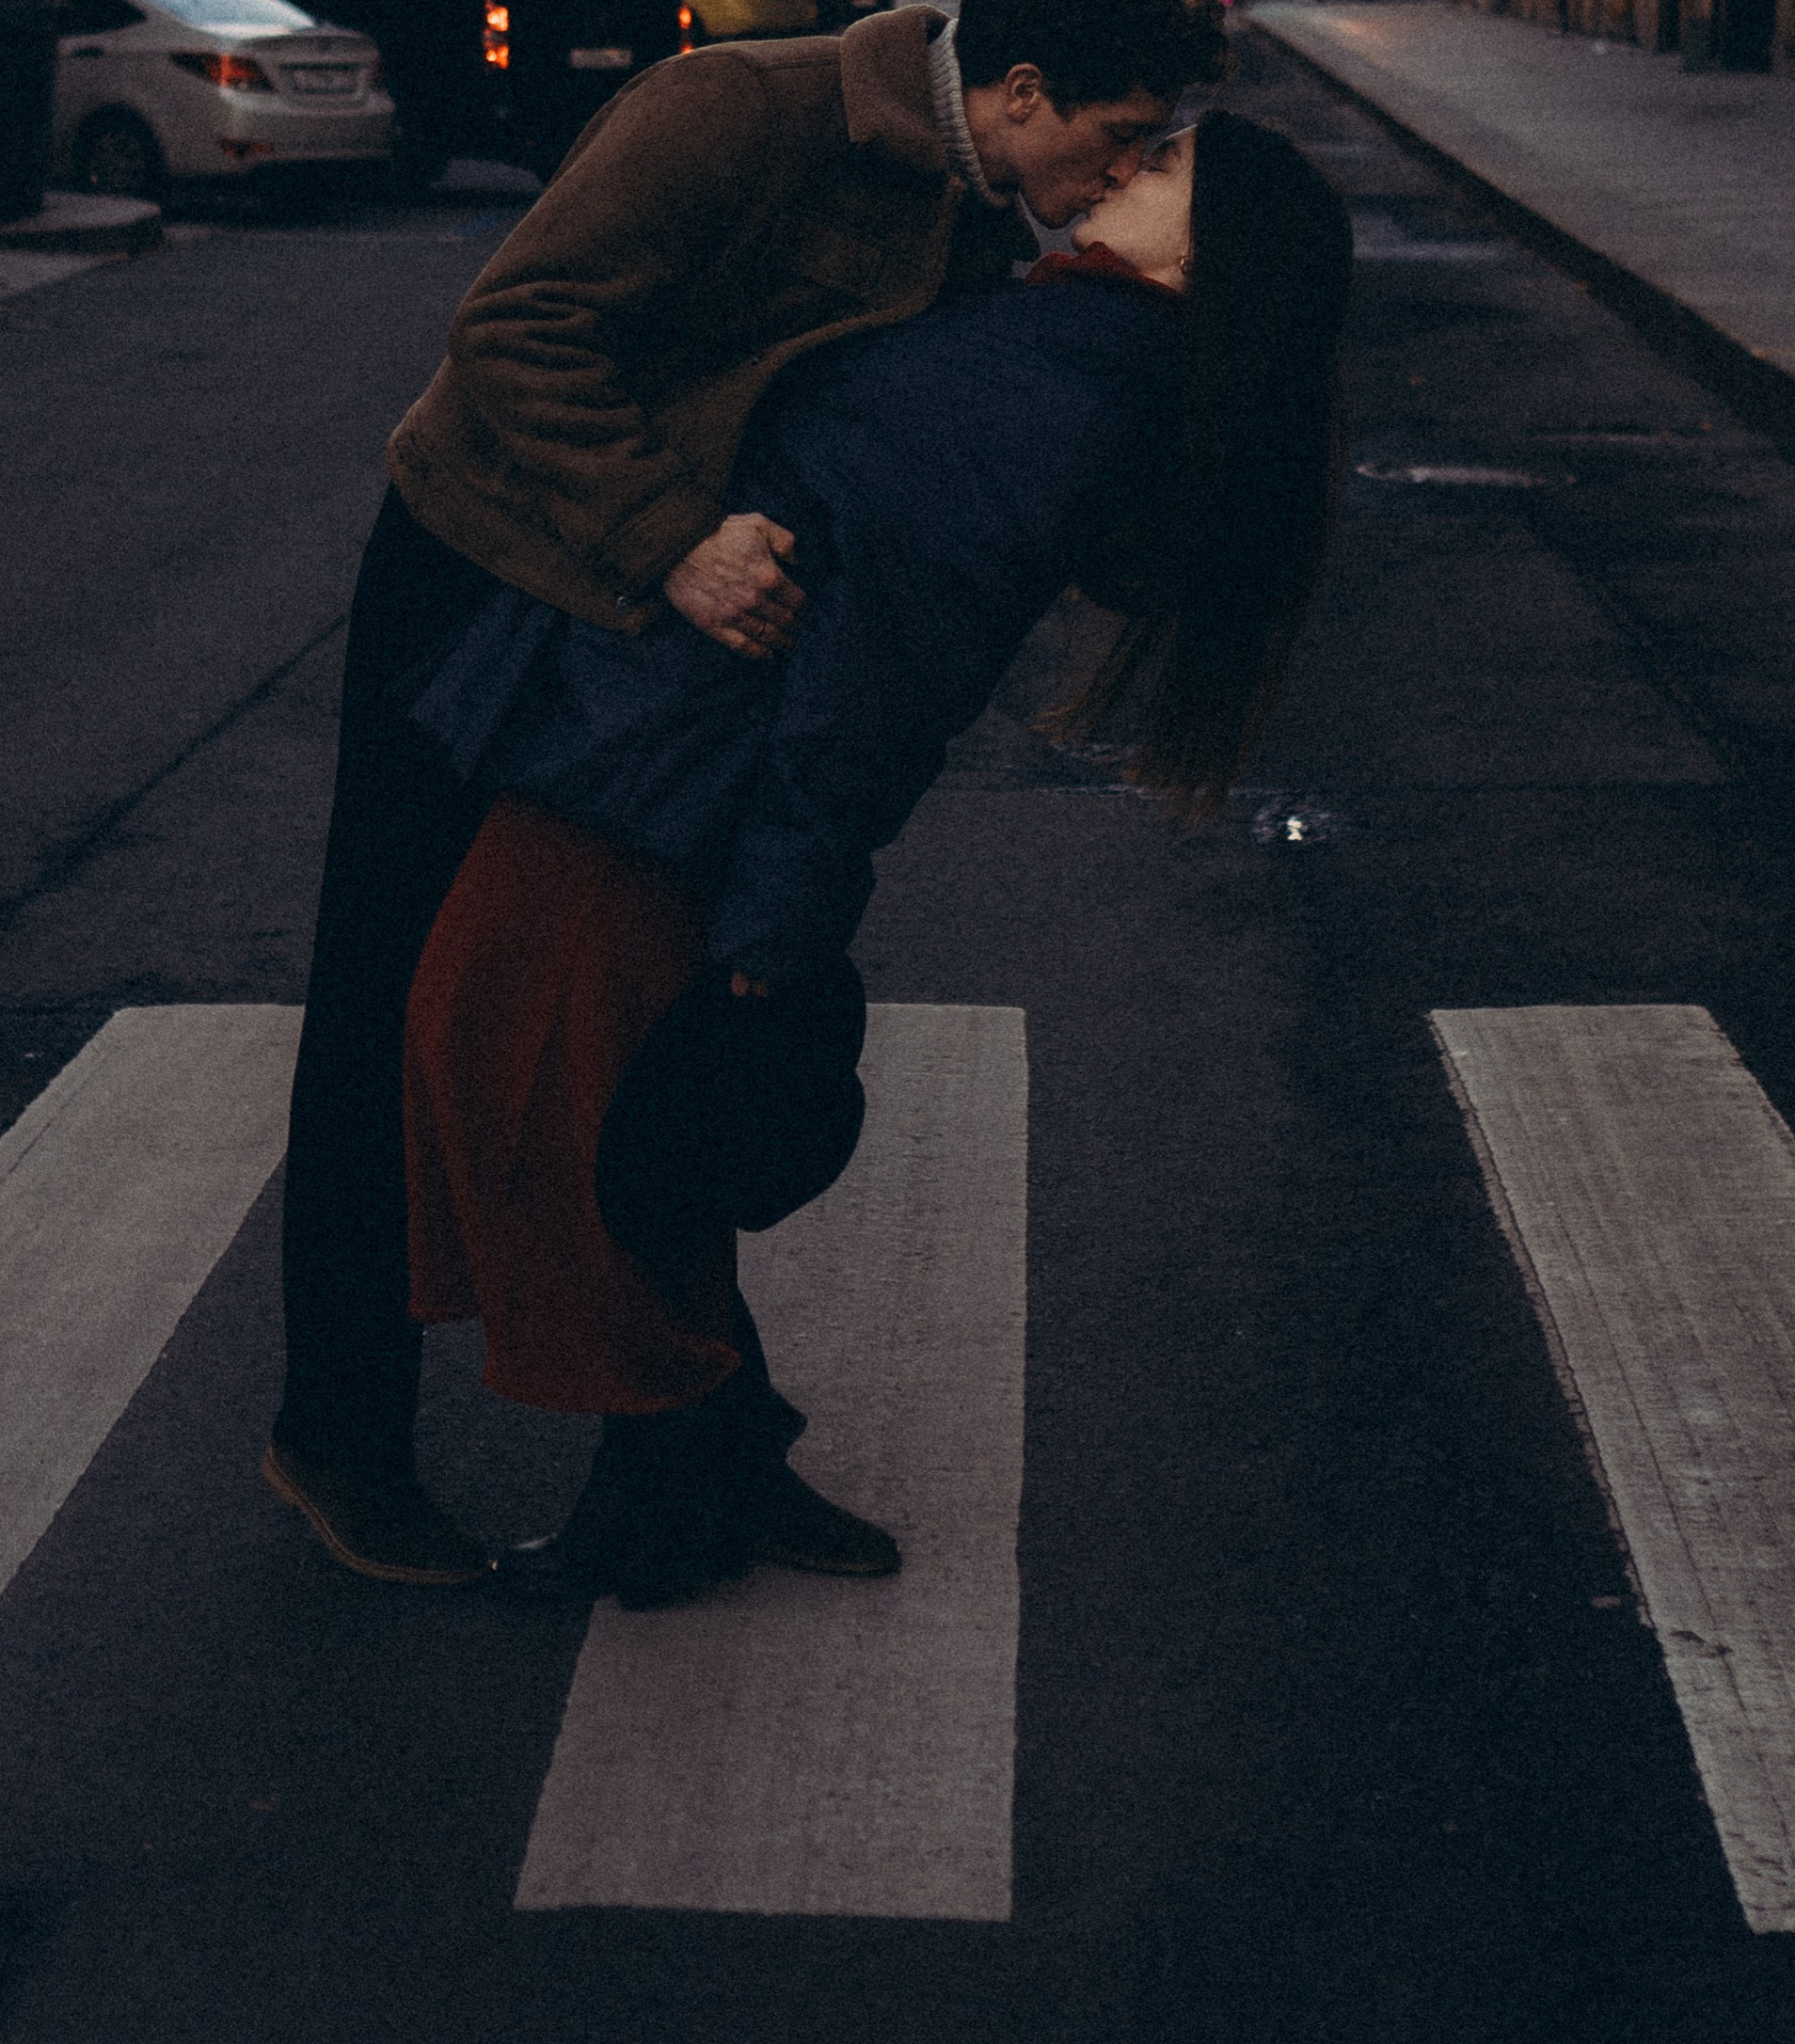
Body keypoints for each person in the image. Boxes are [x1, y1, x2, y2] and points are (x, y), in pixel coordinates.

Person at [265, 0, 1227, 1588]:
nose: (1127, 170)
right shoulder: (733, 111)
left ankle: (705, 1440)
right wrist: (675, 541)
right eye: (1120, 137)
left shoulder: (983, 207)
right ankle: (338, 1439)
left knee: (667, 1036)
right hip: (489, 570)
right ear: (1015, 90)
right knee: (387, 1007)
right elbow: (512, 333)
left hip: (663, 654)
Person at [397, 102, 1357, 1611]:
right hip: (659, 737)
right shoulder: (1072, 337)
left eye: (1161, 166)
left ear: (1218, 255)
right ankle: (717, 1452)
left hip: (670, 764)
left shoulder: (1072, 387)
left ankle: (660, 1491)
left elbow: (877, 684)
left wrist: (775, 936)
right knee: (590, 1100)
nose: (1120, 170)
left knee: (513, 1083)